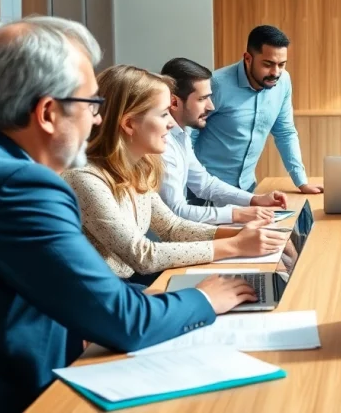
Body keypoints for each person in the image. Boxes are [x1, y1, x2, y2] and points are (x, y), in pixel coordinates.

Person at [0, 17, 257, 413]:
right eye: (91, 104)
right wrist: (204, 299)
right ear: (48, 113)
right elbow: (125, 322)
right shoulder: (20, 187)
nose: (98, 119)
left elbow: (80, 295)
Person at [63, 65, 289, 286]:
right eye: (163, 114)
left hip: (124, 283)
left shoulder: (138, 168)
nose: (171, 123)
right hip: (98, 293)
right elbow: (143, 256)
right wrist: (236, 245)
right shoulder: (86, 180)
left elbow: (171, 227)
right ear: (129, 124)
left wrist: (240, 235)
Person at [192, 25, 322, 194]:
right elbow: (189, 134)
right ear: (248, 58)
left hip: (247, 189)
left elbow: (285, 132)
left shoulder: (283, 82)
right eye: (268, 64)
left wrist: (301, 182)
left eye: (281, 64)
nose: (275, 72)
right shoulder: (216, 84)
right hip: (206, 190)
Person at [158, 57, 287, 225]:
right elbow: (176, 211)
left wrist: (254, 199)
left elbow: (204, 184)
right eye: (202, 99)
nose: (211, 106)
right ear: (174, 102)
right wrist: (237, 214)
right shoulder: (163, 145)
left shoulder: (181, 135)